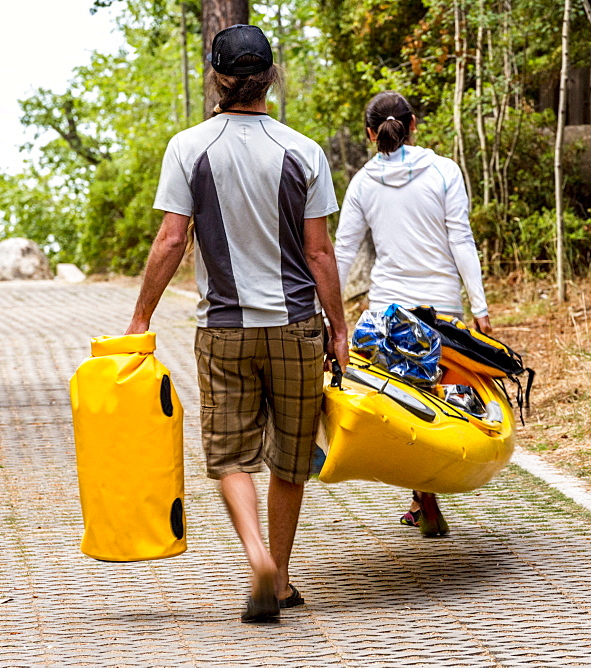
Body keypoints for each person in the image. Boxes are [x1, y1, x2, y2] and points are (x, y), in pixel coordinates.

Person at [124, 24, 349, 622]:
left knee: (229, 457)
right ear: (270, 76)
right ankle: (278, 577)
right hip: (298, 327)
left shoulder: (188, 147)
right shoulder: (303, 151)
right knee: (291, 459)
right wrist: (341, 328)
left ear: (217, 78)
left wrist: (140, 316)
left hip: (223, 330)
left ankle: (256, 557)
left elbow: (173, 238)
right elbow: (321, 254)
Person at [335, 90, 491, 538]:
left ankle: (423, 498)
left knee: (404, 408)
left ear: (370, 134)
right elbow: (461, 239)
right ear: (414, 124)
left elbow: (344, 249)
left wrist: (331, 314)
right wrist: (479, 308)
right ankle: (428, 495)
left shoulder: (363, 182)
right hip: (442, 305)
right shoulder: (444, 171)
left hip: (389, 310)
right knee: (443, 402)